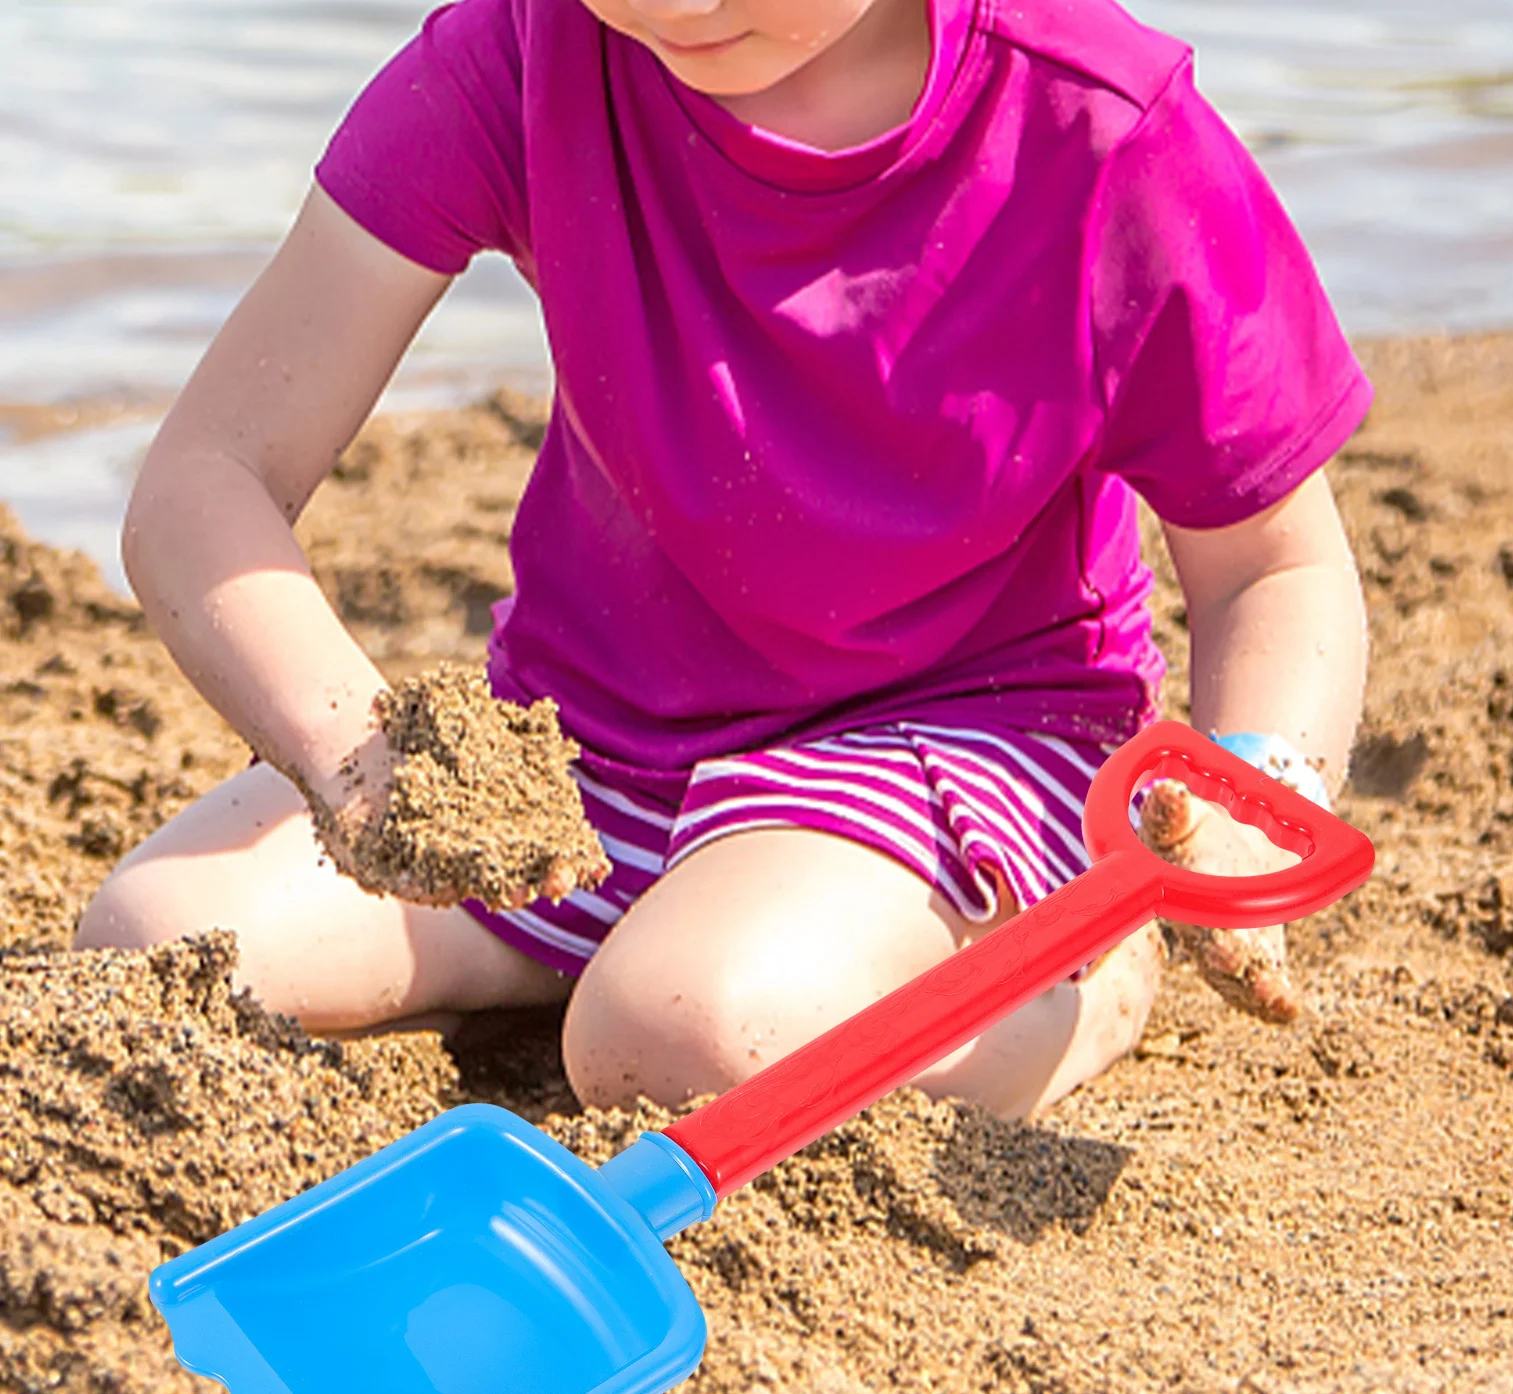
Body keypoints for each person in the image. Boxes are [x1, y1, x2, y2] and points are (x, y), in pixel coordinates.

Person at [72, 0, 1369, 1121]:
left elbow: (1274, 565)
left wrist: (1255, 798)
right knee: (163, 947)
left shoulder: (1101, 127)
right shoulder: (529, 50)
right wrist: (365, 762)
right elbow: (208, 479)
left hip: (964, 736)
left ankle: (1078, 985)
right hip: (589, 747)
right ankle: (664, 931)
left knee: (671, 1034)